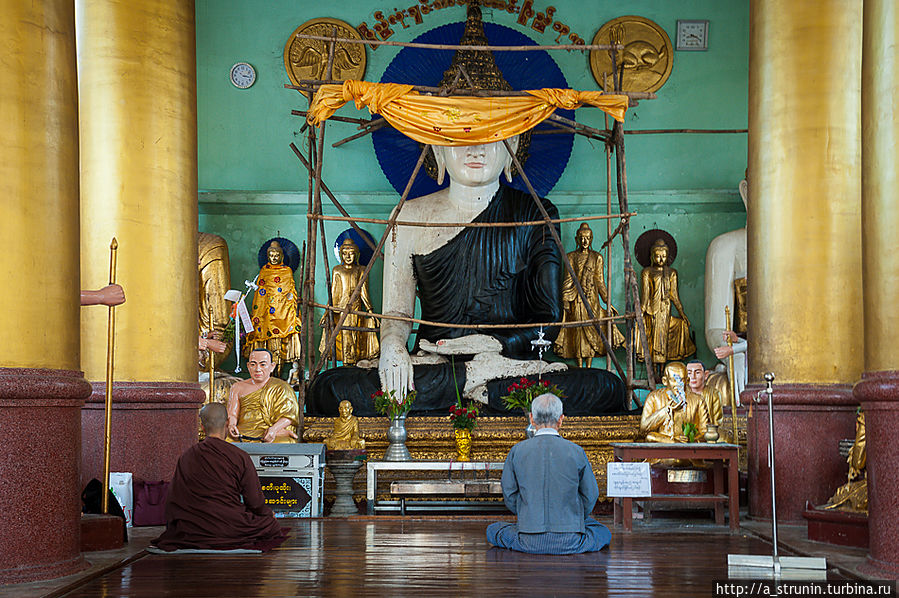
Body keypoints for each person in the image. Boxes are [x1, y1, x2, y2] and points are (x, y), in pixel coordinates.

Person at [151, 403, 289, 552]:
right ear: (228, 423)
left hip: (191, 529)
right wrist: (268, 515)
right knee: (271, 525)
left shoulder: (187, 456)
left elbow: (173, 499)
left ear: (202, 427)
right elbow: (255, 502)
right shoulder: (239, 456)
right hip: (229, 526)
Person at [486, 393, 611, 554]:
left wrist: (528, 512)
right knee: (603, 532)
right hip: (571, 540)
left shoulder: (517, 450)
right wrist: (575, 517)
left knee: (493, 529)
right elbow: (591, 494)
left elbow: (509, 493)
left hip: (527, 539)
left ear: (531, 418)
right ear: (561, 419)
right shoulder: (576, 451)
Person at [553, 222, 625, 367]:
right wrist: (566, 299)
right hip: (577, 298)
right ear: (576, 239)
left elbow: (600, 282)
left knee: (594, 327)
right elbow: (567, 280)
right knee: (579, 330)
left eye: (587, 238)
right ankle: (580, 366)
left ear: (591, 239)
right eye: (582, 238)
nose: (585, 241)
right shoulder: (571, 257)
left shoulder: (597, 257)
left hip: (592, 299)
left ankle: (589, 365)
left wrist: (607, 302)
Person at [705, 175, 748, 398]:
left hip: (791, 369)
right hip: (744, 359)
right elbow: (715, 329)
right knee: (719, 389)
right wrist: (734, 354)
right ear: (746, 191)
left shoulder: (808, 252)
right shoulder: (725, 247)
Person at [244, 240, 302, 373]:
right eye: (271, 255)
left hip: (282, 312)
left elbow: (290, 292)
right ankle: (268, 371)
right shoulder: (264, 271)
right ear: (267, 256)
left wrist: (290, 308)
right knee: (266, 339)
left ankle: (280, 370)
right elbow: (260, 293)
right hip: (266, 313)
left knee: (282, 338)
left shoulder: (286, 271)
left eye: (276, 255)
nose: (274, 258)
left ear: (281, 256)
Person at [319, 238, 379, 366]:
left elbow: (364, 292)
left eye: (351, 253)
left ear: (356, 254)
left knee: (354, 334)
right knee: (344, 334)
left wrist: (370, 311)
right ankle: (346, 363)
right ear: (340, 255)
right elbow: (334, 293)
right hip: (340, 308)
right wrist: (327, 311)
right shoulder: (337, 270)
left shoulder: (361, 269)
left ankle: (353, 362)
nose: (348, 256)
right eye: (345, 253)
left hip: (355, 308)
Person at [635, 238, 695, 365]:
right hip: (652, 310)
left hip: (665, 309)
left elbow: (675, 296)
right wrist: (640, 312)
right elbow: (645, 297)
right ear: (652, 257)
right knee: (653, 334)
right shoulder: (647, 272)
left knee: (680, 326)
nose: (661, 259)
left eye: (663, 256)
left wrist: (682, 314)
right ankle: (654, 366)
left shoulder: (672, 273)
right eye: (657, 256)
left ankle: (662, 367)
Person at [227, 349, 299, 443]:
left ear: (272, 366)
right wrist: (232, 425)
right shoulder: (237, 387)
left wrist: (274, 429)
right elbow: (232, 413)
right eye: (253, 364)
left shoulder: (281, 387)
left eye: (263, 364)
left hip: (270, 431)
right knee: (225, 442)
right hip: (242, 432)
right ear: (248, 366)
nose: (257, 369)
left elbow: (289, 416)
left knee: (284, 442)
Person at [640, 361, 709, 443]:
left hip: (687, 446)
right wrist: (667, 410)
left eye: (681, 380)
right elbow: (643, 428)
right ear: (665, 381)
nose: (678, 384)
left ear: (687, 380)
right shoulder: (654, 397)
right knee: (650, 437)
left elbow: (704, 432)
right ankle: (675, 443)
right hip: (664, 443)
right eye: (674, 380)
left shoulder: (698, 400)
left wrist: (692, 439)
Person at [685, 359, 724, 430]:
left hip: (708, 432)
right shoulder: (682, 394)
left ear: (705, 375)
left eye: (697, 373)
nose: (693, 377)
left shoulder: (713, 394)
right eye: (689, 373)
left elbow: (717, 420)